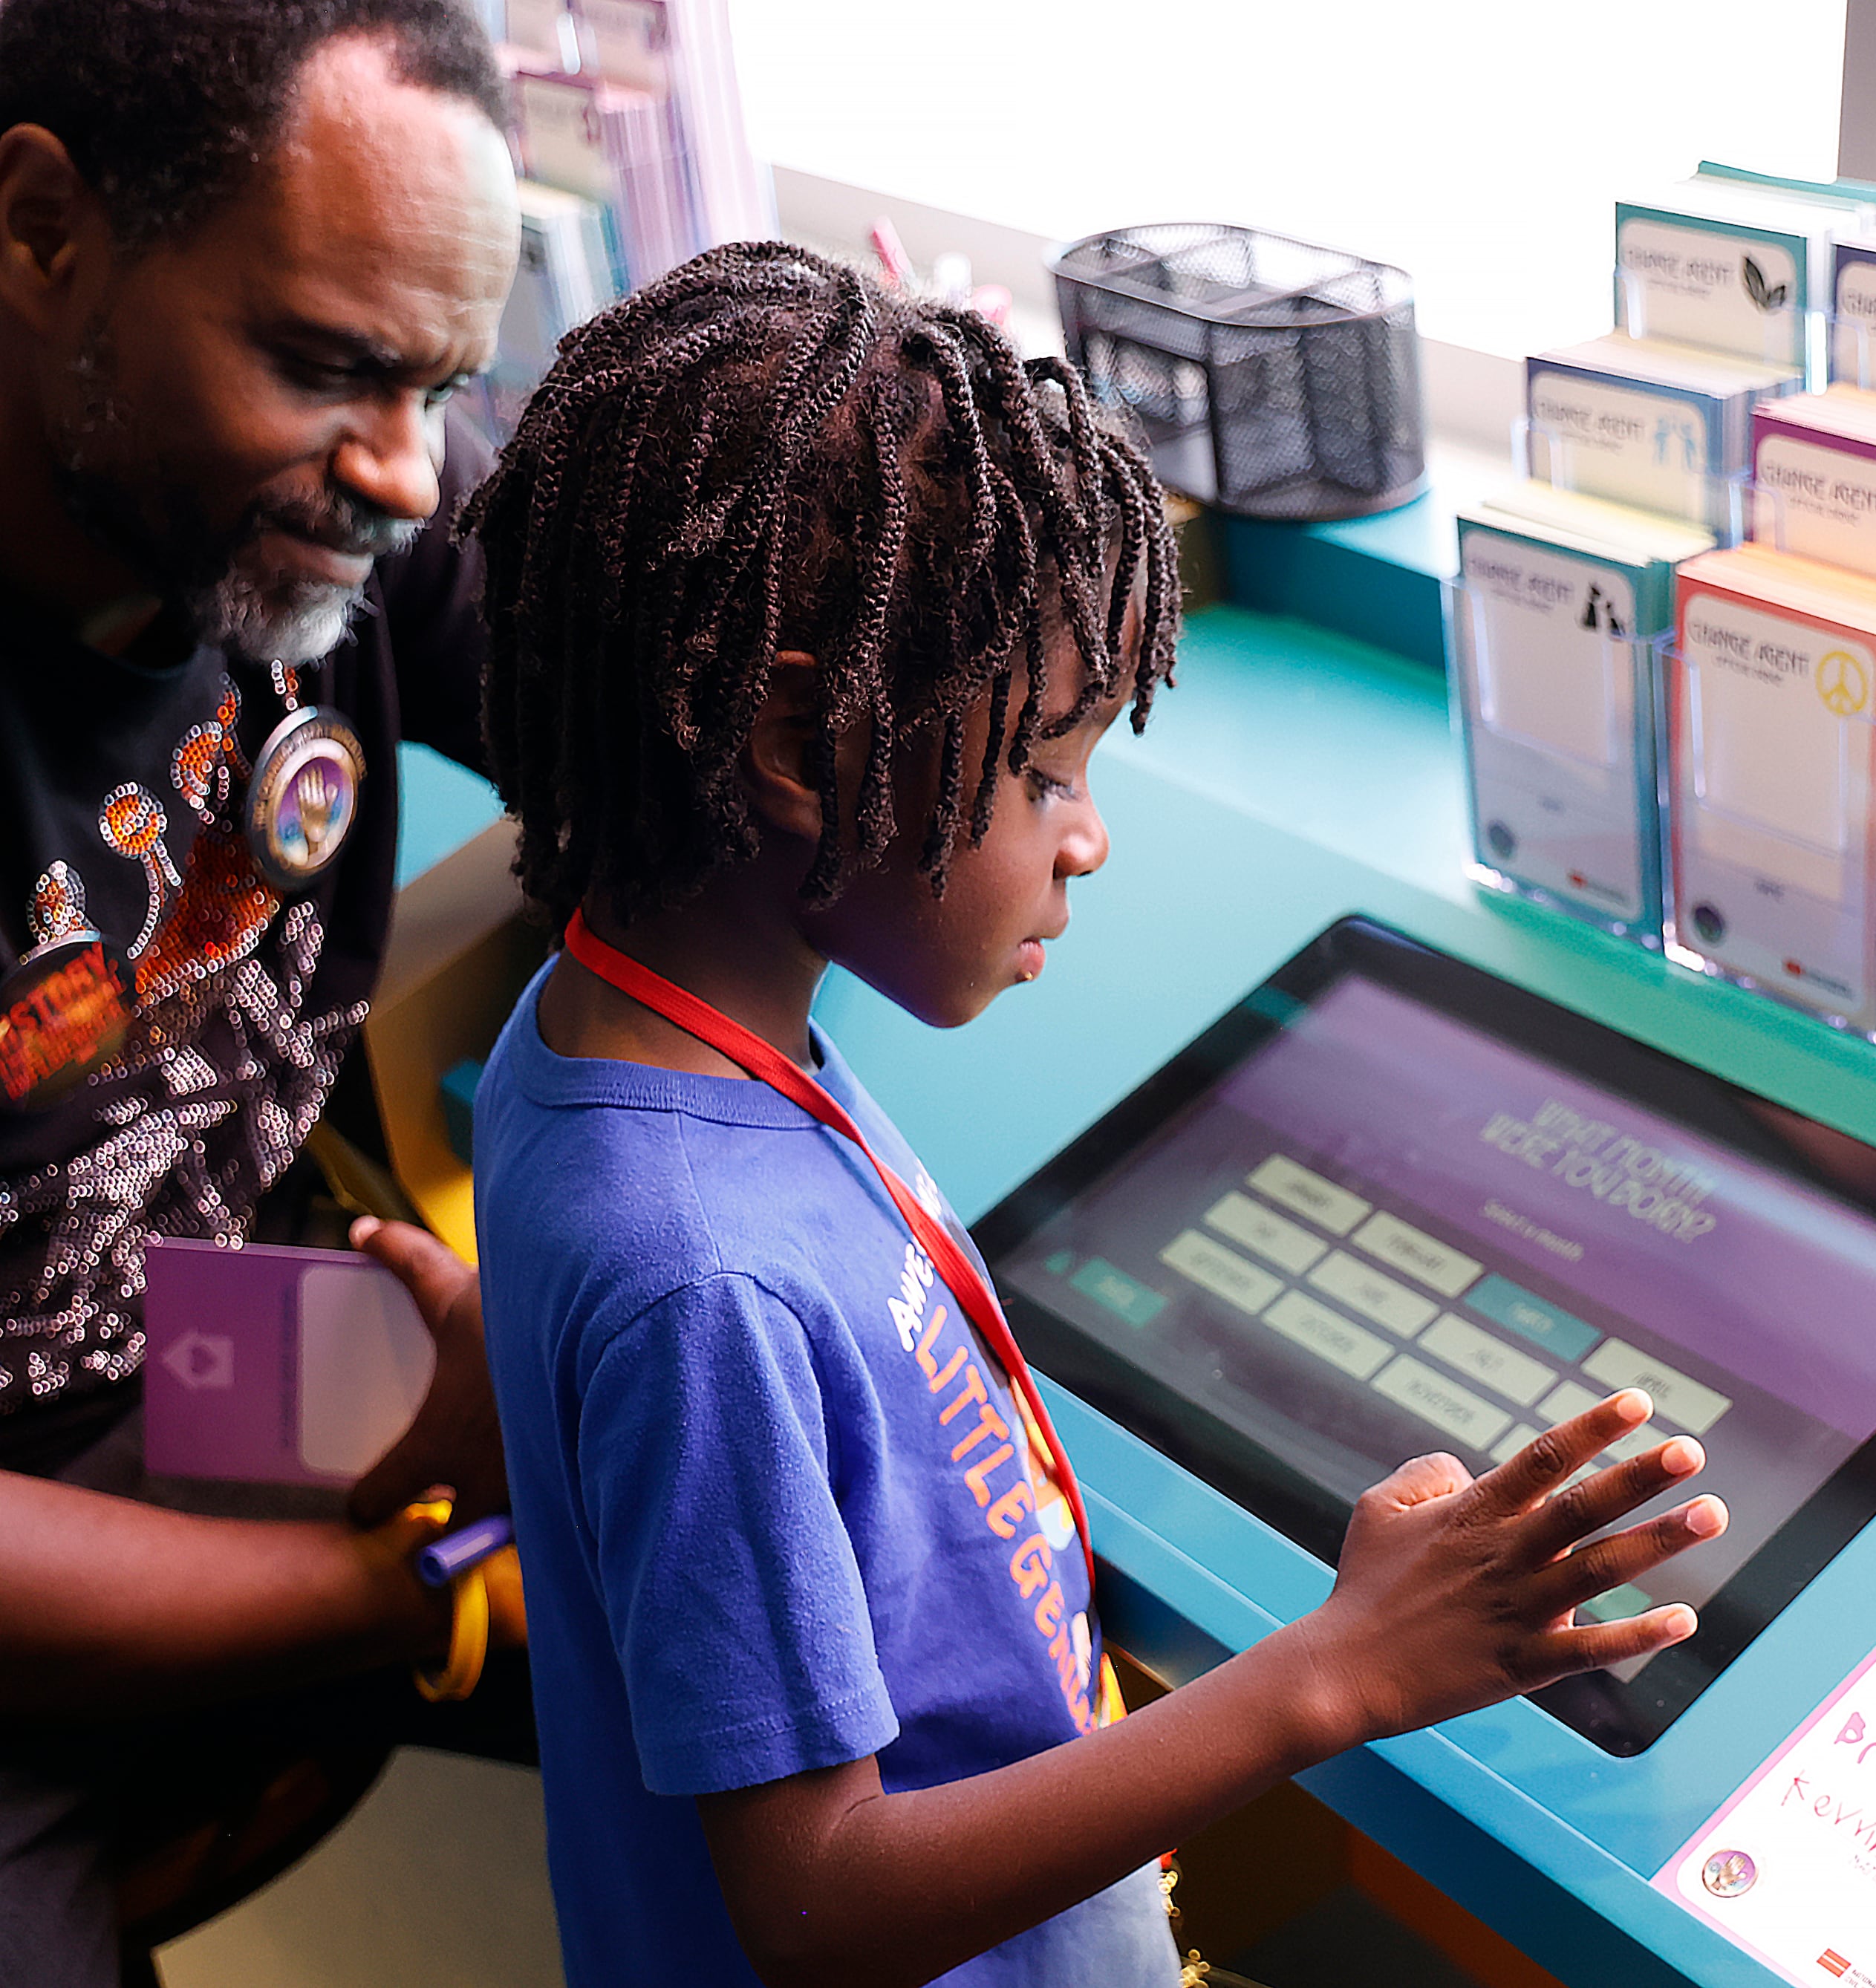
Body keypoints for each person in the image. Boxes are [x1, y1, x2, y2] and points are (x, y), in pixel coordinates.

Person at [464, 240, 1731, 1988]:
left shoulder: (605, 1039)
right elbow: (819, 1902)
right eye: (1047, 767)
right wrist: (1335, 1667)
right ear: (795, 741)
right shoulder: (699, 1279)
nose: (1086, 835)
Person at [0, 1, 531, 1978]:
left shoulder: (330, 492)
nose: (405, 475)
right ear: (48, 229)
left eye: (442, 384)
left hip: (227, 1360)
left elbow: (656, 694)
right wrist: (401, 1584)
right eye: (330, 369)